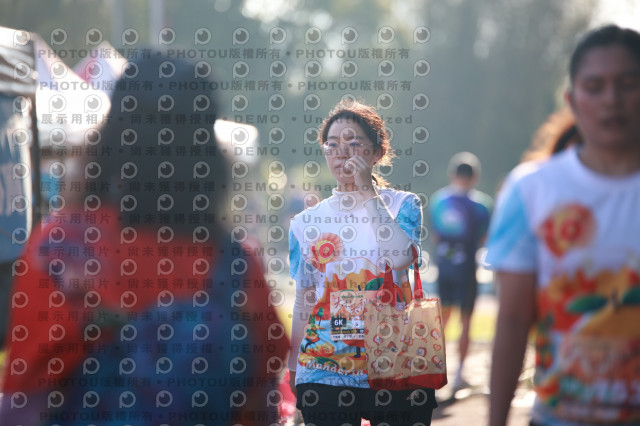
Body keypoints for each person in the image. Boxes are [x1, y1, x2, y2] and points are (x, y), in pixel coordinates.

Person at [0, 52, 288, 425]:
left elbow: (25, 396)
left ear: (113, 136)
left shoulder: (61, 248)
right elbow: (260, 396)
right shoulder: (234, 265)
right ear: (208, 150)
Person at [486, 24, 640, 426]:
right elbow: (513, 321)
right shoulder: (531, 190)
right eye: (595, 86)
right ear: (572, 99)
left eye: (627, 84)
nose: (611, 100)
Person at [287, 100, 438, 426]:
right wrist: (293, 366)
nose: (342, 153)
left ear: (377, 153)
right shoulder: (304, 222)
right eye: (332, 145)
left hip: (396, 361)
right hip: (324, 366)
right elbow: (305, 297)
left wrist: (368, 191)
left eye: (353, 143)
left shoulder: (404, 205)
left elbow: (399, 258)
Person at [428, 152, 492, 391]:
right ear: (475, 177)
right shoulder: (482, 204)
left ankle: (432, 372)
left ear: (451, 174)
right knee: (466, 322)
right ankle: (459, 376)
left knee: (442, 322)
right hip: (466, 271)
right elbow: (484, 238)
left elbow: (435, 235)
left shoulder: (438, 200)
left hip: (444, 269)